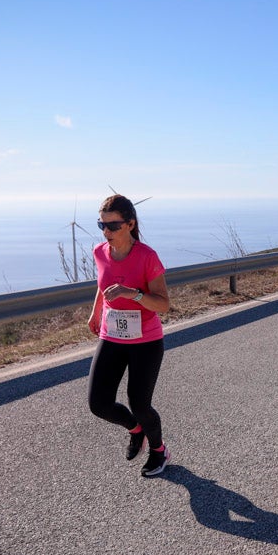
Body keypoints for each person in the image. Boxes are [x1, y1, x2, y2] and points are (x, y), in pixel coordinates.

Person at [87, 194, 172, 476]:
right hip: (112, 336)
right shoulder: (99, 252)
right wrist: (96, 312)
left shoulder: (147, 257)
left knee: (140, 403)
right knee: (98, 404)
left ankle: (159, 450)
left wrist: (132, 294)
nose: (106, 232)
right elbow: (103, 285)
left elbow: (162, 304)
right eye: (102, 225)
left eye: (112, 226)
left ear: (130, 224)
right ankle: (136, 430)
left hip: (145, 341)